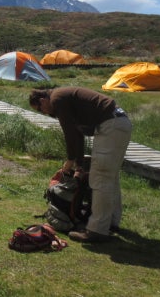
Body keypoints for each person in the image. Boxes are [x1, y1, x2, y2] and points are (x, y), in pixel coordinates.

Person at [29, 86, 132, 243]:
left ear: (43, 100)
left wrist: (69, 162)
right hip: (118, 123)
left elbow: (69, 133)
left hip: (110, 126)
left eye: (40, 109)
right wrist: (79, 166)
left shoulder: (57, 99)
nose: (45, 113)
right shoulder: (63, 96)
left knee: (100, 178)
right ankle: (111, 222)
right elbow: (78, 134)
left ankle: (97, 230)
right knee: (110, 177)